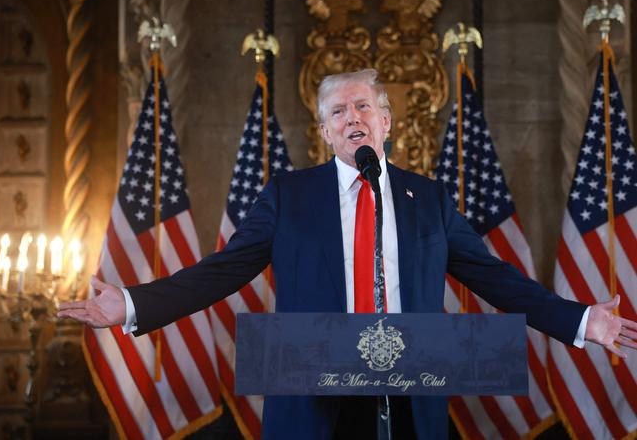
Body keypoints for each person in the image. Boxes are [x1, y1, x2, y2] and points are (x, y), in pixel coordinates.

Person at [59, 69, 637, 440]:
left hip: (410, 401)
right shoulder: (288, 197)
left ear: (385, 122)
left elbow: (496, 279)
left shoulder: (428, 200)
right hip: (314, 406)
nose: (351, 118)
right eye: (338, 112)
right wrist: (134, 305)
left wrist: (582, 319)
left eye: (362, 107)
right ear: (326, 133)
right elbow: (221, 272)